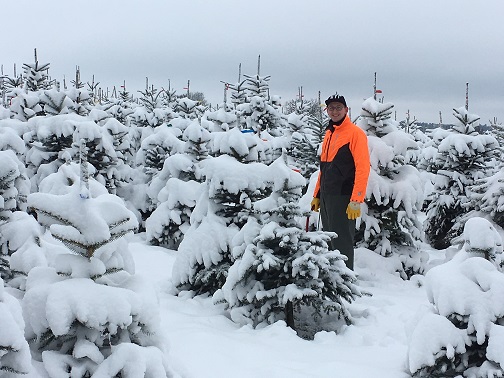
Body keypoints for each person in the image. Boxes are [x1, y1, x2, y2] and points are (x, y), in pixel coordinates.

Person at [310, 94, 370, 270]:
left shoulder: (355, 134)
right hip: (327, 196)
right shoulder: (329, 133)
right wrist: (317, 195)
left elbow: (363, 168)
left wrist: (356, 199)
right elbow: (324, 168)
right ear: (326, 110)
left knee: (341, 240)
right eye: (331, 108)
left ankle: (347, 282)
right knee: (328, 239)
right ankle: (332, 280)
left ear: (346, 110)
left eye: (338, 108)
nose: (334, 111)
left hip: (344, 196)